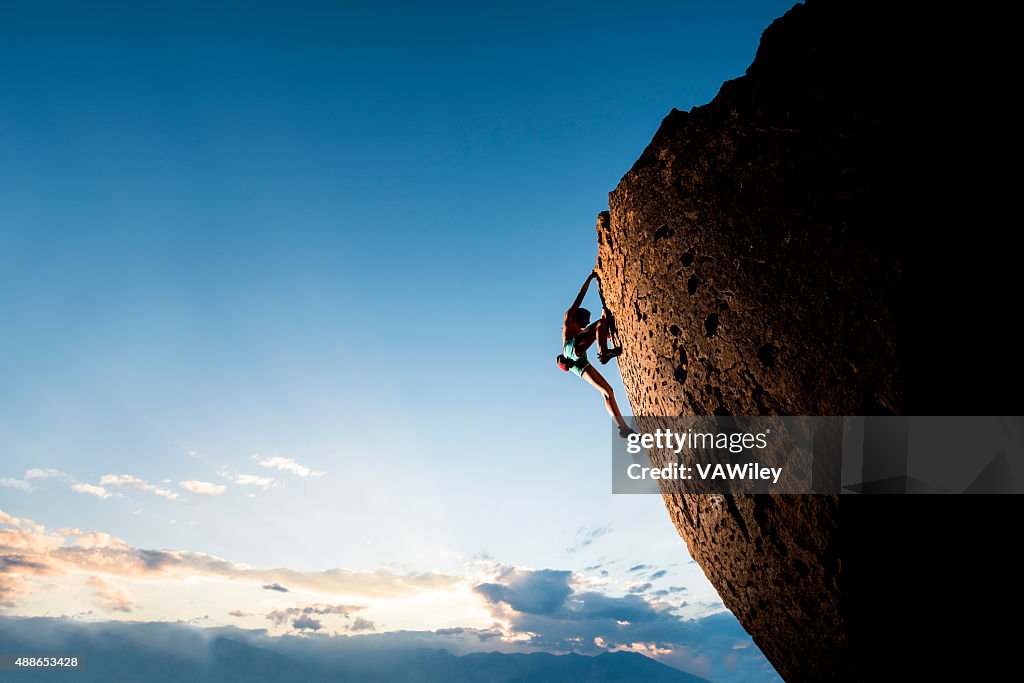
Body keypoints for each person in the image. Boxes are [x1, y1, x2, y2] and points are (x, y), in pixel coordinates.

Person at [562, 270, 634, 438]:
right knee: (600, 324)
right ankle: (604, 353)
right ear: (579, 316)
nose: (588, 321)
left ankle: (623, 428)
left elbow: (602, 332)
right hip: (571, 349)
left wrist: (605, 315)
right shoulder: (569, 317)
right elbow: (580, 295)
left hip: (576, 363)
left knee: (608, 392)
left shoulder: (580, 332)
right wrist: (590, 278)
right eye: (587, 319)